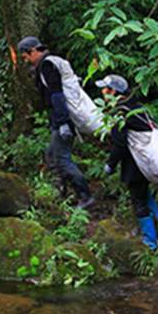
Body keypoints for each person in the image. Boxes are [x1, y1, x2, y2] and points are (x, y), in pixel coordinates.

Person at [16, 36, 96, 209]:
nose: (26, 61)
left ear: (33, 51)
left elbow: (57, 95)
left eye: (25, 57)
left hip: (63, 119)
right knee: (52, 155)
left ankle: (85, 196)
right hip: (62, 118)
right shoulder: (55, 61)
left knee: (61, 158)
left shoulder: (47, 65)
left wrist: (63, 123)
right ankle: (60, 192)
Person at [98, 75, 158, 249]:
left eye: (105, 89)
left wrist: (110, 164)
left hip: (134, 162)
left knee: (138, 199)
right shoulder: (136, 107)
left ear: (114, 91)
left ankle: (150, 242)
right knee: (143, 190)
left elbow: (120, 144)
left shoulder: (120, 112)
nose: (102, 92)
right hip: (146, 160)